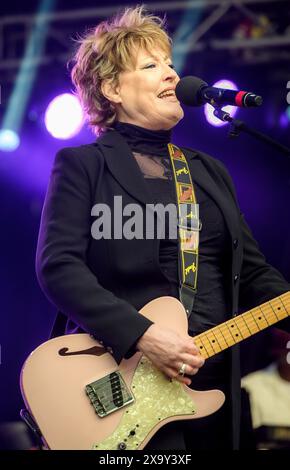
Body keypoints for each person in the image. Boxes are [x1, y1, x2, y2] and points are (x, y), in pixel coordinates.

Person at [35, 5, 290, 450]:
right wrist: (143, 334)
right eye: (152, 65)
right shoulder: (83, 166)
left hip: (213, 395)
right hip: (123, 390)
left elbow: (251, 273)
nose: (172, 74)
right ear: (112, 88)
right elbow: (59, 266)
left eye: (170, 63)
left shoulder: (208, 172)